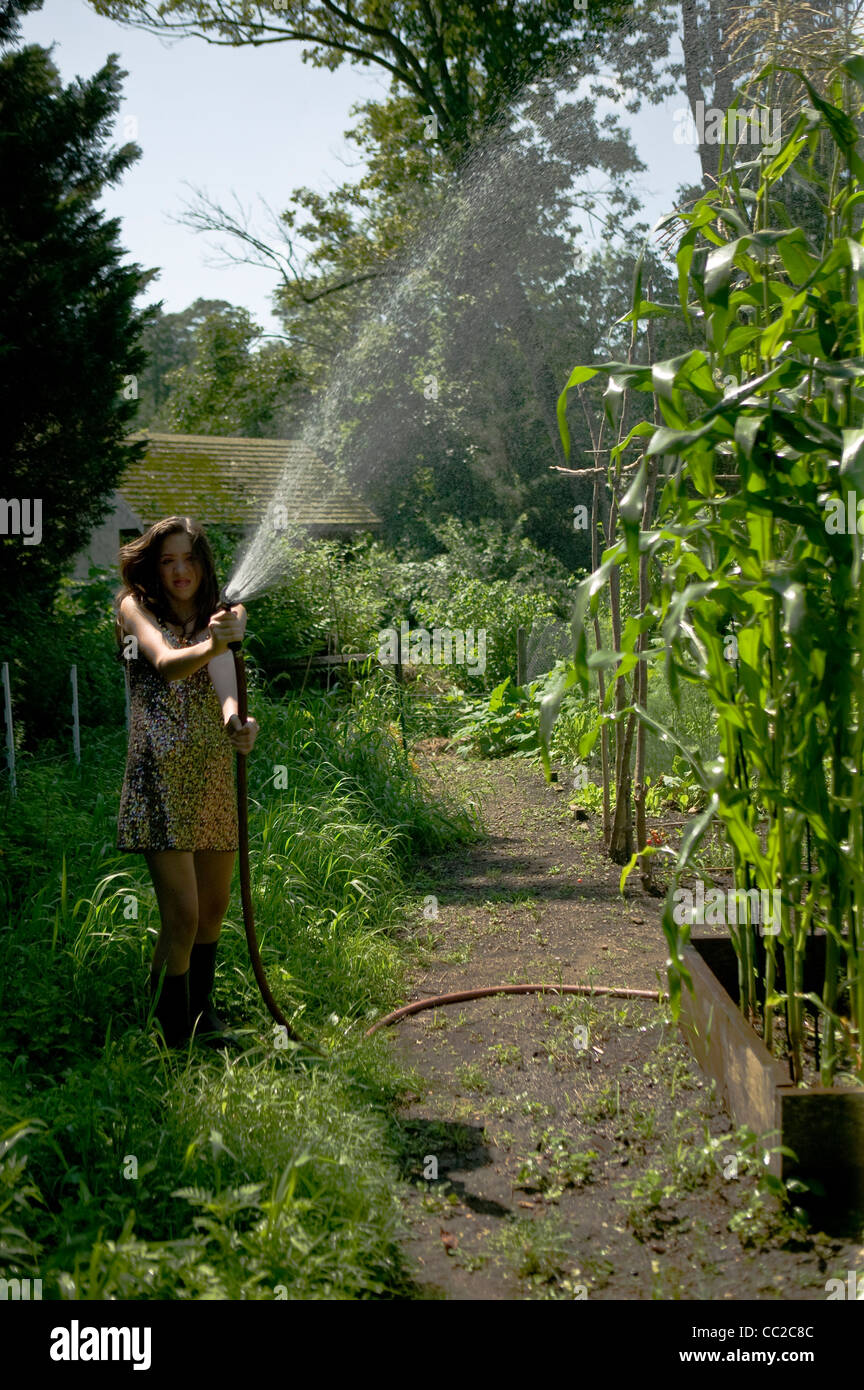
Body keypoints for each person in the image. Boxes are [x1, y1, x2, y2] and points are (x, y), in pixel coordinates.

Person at [114, 516, 259, 1049]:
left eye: (189, 559)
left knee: (214, 908)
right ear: (154, 564)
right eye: (168, 560)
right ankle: (169, 1025)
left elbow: (225, 690)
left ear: (203, 563)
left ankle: (202, 1014)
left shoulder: (215, 616)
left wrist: (237, 724)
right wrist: (216, 644)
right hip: (158, 776)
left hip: (211, 773)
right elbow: (169, 664)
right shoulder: (135, 608)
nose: (179, 570)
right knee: (183, 912)